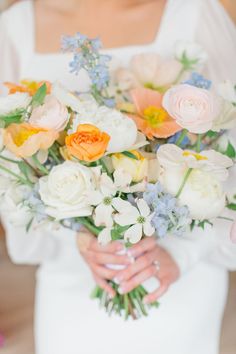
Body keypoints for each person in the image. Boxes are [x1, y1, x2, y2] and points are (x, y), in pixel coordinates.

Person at [0, 1, 236, 354]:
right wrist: (79, 236)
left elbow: (230, 146)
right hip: (71, 277)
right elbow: (10, 167)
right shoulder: (14, 27)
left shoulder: (195, 13)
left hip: (175, 276)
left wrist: (185, 254)